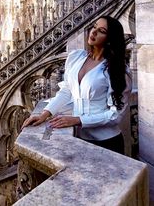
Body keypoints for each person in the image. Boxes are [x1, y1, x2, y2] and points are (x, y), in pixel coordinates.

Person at [22, 15, 132, 155]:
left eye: (102, 31)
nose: (94, 32)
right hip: (79, 137)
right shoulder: (76, 57)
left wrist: (77, 120)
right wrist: (45, 114)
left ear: (110, 39)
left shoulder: (118, 70)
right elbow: (67, 91)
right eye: (94, 27)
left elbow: (115, 115)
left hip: (107, 142)